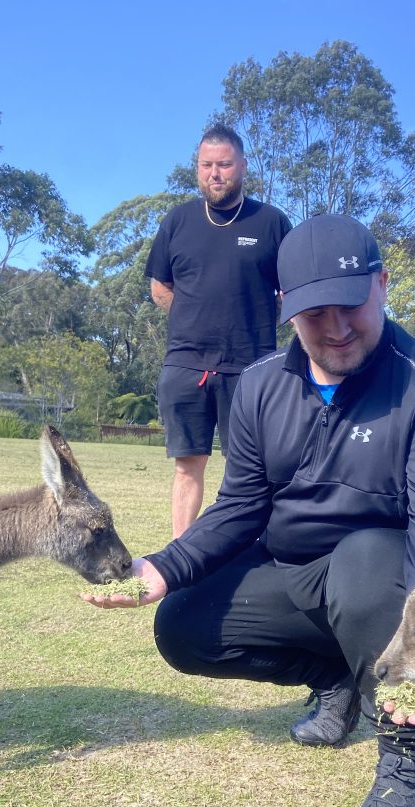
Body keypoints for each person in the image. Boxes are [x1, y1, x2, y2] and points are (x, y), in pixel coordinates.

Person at [88, 214, 415, 807]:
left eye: (350, 305)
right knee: (182, 623)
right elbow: (240, 506)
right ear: (285, 308)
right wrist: (164, 567)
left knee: (361, 565)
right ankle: (334, 675)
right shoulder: (264, 385)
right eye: (313, 313)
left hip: (383, 580)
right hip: (294, 571)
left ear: (382, 285)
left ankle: (411, 762)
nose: (334, 329)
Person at [146, 124, 292, 538]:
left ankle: (249, 550)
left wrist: (260, 317)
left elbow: (290, 290)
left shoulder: (271, 222)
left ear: (242, 166)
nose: (215, 173)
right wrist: (196, 314)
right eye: (207, 165)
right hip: (186, 363)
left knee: (251, 467)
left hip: (252, 366)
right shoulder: (178, 221)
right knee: (187, 466)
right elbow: (160, 285)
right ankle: (181, 553)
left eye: (225, 165)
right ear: (197, 168)